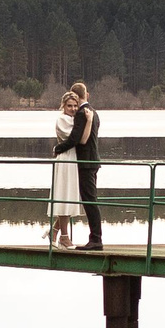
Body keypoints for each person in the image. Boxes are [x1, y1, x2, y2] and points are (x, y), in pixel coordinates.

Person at [62, 80, 103, 250]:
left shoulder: (81, 113)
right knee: (90, 199)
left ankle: (96, 239)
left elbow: (75, 139)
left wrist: (58, 148)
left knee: (90, 201)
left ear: (76, 97)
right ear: (87, 95)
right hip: (93, 161)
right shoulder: (94, 112)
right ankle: (95, 238)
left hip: (86, 162)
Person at [47, 91, 82, 248]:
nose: (73, 109)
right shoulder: (62, 119)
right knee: (64, 196)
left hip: (73, 159)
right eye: (69, 106)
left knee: (70, 196)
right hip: (65, 159)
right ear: (63, 106)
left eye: (75, 106)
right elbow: (74, 138)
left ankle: (54, 231)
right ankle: (64, 237)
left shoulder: (74, 119)